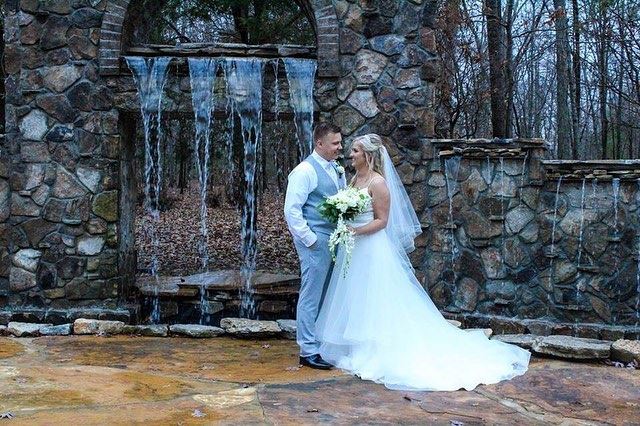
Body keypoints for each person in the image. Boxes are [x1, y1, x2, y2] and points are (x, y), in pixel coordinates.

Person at [315, 133, 531, 391]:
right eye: (351, 150)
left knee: (376, 298)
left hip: (371, 248)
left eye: (356, 151)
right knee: (357, 296)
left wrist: (356, 231)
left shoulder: (378, 183)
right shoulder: (353, 179)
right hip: (355, 248)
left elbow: (382, 221)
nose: (350, 154)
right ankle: (358, 346)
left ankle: (377, 350)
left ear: (369, 155)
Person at [284, 122, 346, 370]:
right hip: (316, 241)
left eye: (340, 143)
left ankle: (319, 343)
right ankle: (307, 350)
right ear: (319, 144)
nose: (339, 147)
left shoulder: (336, 169)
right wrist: (310, 240)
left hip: (336, 239)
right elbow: (291, 210)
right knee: (311, 294)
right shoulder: (304, 171)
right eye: (335, 143)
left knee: (326, 293)